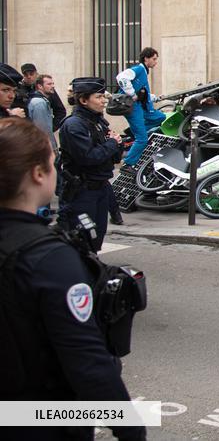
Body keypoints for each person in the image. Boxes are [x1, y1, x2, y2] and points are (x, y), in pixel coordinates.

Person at [0, 118, 145, 441]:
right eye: (52, 163)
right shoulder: (49, 259)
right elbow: (86, 361)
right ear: (38, 174)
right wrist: (131, 429)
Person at [59, 77, 123, 250]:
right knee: (81, 238)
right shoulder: (74, 125)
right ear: (83, 100)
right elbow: (89, 157)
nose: (104, 101)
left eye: (104, 96)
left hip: (100, 188)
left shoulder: (98, 122)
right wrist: (112, 144)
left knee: (96, 237)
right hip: (82, 191)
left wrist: (117, 144)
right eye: (99, 97)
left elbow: (114, 158)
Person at [116, 47, 166, 171]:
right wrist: (132, 94)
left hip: (140, 107)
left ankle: (136, 131)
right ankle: (128, 163)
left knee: (161, 117)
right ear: (146, 58)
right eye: (154, 59)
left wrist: (154, 98)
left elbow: (143, 93)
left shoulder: (143, 72)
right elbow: (121, 77)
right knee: (142, 138)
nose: (155, 62)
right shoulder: (138, 69)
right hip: (134, 107)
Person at [28, 74, 58, 152]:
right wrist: (52, 150)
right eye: (49, 84)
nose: (53, 86)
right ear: (40, 86)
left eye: (53, 83)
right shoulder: (39, 103)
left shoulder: (42, 101)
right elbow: (43, 130)